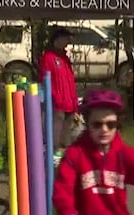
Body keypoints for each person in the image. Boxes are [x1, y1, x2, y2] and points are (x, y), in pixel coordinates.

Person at [39, 27, 78, 165]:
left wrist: (74, 101)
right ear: (57, 39)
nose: (68, 41)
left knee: (66, 139)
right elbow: (45, 81)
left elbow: (70, 81)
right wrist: (54, 98)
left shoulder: (65, 58)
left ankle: (63, 162)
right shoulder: (48, 58)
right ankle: (52, 162)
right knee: (54, 137)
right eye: (66, 38)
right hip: (57, 105)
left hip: (69, 105)